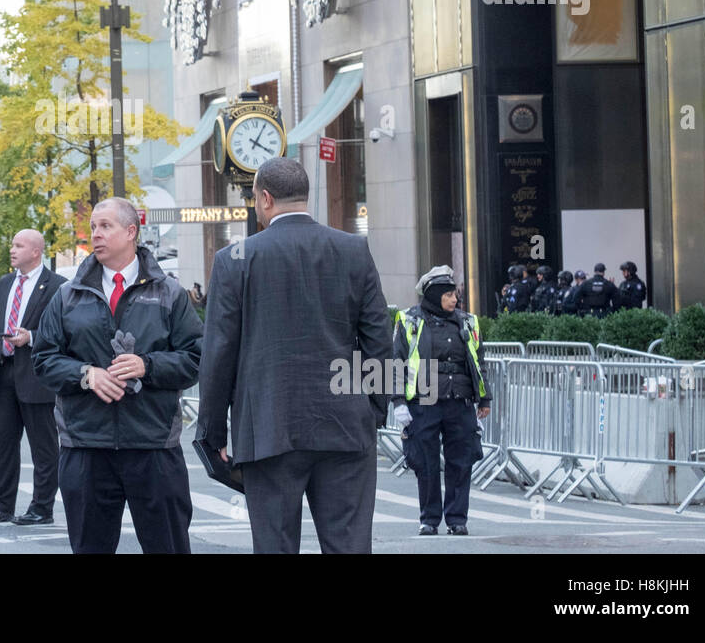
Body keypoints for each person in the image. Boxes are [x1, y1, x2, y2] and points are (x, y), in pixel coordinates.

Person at [195, 159, 390, 554]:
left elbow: (218, 354)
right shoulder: (353, 249)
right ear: (305, 196)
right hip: (346, 425)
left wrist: (212, 432)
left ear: (264, 198)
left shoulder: (235, 260)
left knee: (275, 546)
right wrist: (374, 409)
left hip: (267, 426)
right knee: (349, 545)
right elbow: (379, 339)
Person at [32, 198, 202, 555]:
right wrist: (85, 374)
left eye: (106, 226)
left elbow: (196, 358)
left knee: (169, 546)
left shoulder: (169, 292)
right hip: (86, 447)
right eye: (93, 226)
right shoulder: (67, 296)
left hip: (153, 446)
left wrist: (148, 366)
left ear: (131, 232)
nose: (96, 234)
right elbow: (43, 360)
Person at [391, 266, 491, 536]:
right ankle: (430, 519)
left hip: (459, 401)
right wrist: (398, 400)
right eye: (448, 295)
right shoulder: (410, 320)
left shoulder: (467, 321)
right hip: (424, 400)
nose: (455, 300)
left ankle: (457, 519)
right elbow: (397, 361)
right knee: (425, 462)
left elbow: (478, 361)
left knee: (462, 461)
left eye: (455, 294)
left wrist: (484, 398)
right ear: (434, 296)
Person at [0, 229, 60, 527]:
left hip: (37, 376)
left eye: (18, 245)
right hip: (4, 374)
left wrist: (33, 337)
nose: (12, 250)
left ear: (36, 251)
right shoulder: (4, 284)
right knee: (4, 441)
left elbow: (63, 332)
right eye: (12, 244)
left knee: (43, 446)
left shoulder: (56, 287)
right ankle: (2, 506)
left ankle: (42, 507)